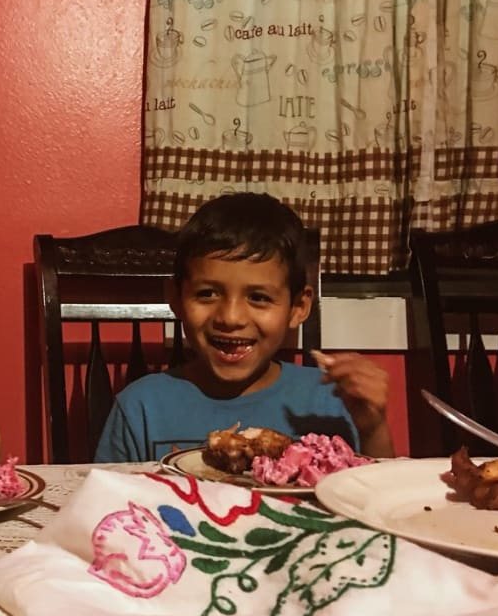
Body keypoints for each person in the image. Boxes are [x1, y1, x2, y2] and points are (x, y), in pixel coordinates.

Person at [94, 192, 395, 463]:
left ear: (298, 308)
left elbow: (376, 501)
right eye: (207, 293)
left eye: (258, 297)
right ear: (175, 297)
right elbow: (106, 508)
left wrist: (372, 427)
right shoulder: (141, 408)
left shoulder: (332, 400)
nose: (231, 317)